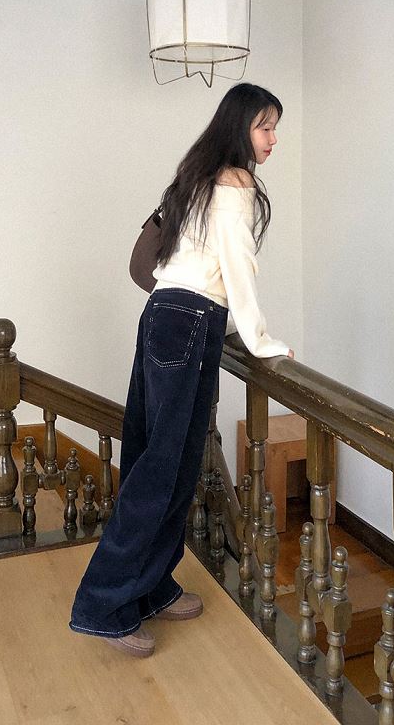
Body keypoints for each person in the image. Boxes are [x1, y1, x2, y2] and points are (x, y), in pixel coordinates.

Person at [70, 82, 293, 657]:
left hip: (162, 314)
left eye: (275, 128)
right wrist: (260, 340)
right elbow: (237, 267)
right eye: (265, 127)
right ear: (240, 127)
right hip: (191, 320)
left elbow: (175, 258)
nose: (273, 139)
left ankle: (147, 588)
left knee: (158, 460)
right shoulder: (235, 182)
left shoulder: (198, 176)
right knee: (162, 470)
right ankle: (101, 605)